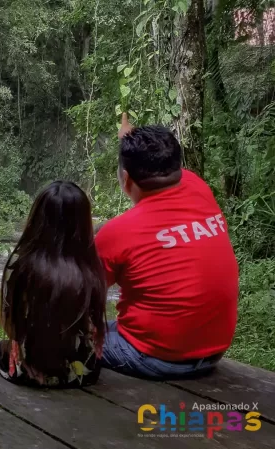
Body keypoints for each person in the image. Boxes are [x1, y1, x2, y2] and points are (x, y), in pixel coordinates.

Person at [95, 114, 239, 380]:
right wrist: (129, 138)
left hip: (155, 357)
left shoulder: (116, 233)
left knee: (65, 336)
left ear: (126, 180)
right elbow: (159, 158)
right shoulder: (198, 187)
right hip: (213, 351)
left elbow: (79, 296)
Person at [0, 181, 107, 387]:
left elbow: (8, 323)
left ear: (36, 220)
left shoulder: (20, 265)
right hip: (85, 372)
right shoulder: (91, 266)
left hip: (28, 372)